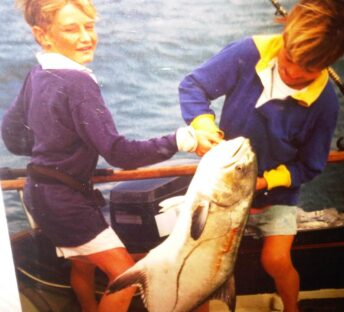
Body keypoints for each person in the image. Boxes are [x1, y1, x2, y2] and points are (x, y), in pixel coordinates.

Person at [1, 1, 219, 311]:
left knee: (83, 264)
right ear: (43, 35)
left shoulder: (38, 73)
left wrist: (53, 146)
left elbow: (12, 135)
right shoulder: (79, 83)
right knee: (125, 276)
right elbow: (120, 153)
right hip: (65, 201)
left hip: (39, 192)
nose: (85, 37)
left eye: (89, 27)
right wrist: (182, 139)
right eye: (71, 29)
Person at [179, 0, 344, 311]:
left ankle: (292, 306)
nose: (291, 72)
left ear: (330, 62)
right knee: (203, 261)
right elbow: (194, 85)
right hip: (226, 190)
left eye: (307, 70)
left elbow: (309, 165)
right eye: (288, 58)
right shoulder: (249, 52)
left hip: (278, 195)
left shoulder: (325, 104)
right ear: (284, 31)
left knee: (275, 259)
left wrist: (262, 182)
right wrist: (203, 124)